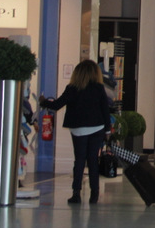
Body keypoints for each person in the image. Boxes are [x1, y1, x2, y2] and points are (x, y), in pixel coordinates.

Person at [42, 60, 111, 205]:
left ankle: (76, 193)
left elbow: (57, 105)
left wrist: (43, 102)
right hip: (97, 127)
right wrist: (107, 130)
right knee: (93, 160)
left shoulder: (72, 88)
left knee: (79, 160)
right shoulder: (99, 88)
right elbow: (105, 109)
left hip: (78, 128)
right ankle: (94, 194)